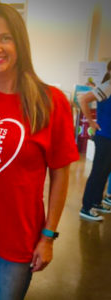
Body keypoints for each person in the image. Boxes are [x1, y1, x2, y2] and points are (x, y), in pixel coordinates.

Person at [0, 3, 79, 300]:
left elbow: (60, 174)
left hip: (17, 241)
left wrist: (49, 235)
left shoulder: (49, 101)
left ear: (19, 42)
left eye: (4, 38)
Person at [79, 61, 111, 221]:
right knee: (97, 173)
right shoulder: (108, 86)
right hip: (104, 137)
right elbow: (84, 99)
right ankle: (86, 207)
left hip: (109, 138)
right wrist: (91, 122)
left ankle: (97, 202)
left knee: (104, 172)